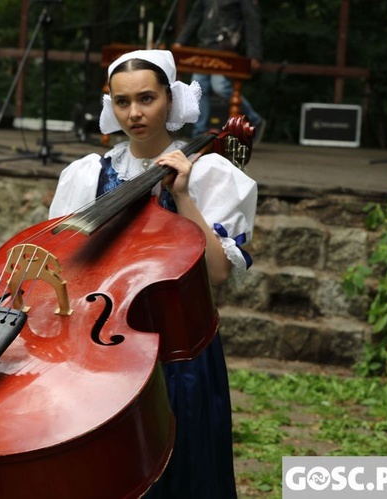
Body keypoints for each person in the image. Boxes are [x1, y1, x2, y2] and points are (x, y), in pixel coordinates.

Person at [49, 49, 257, 498]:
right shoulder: (87, 175)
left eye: (147, 98)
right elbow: (65, 263)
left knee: (182, 473)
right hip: (101, 350)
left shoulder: (209, 172)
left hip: (178, 350)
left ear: (170, 99)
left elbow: (218, 275)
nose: (135, 113)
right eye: (122, 102)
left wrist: (182, 197)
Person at [172, 0, 264, 141]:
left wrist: (254, 54)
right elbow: (195, 16)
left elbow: (251, 20)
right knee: (198, 88)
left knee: (220, 86)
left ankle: (253, 119)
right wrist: (181, 41)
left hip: (225, 47)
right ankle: (199, 133)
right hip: (204, 47)